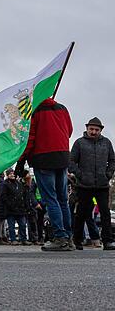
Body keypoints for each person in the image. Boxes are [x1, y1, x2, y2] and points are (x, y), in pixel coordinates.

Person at [16, 97, 73, 252]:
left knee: (51, 199)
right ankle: (68, 237)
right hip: (62, 157)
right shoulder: (62, 108)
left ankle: (60, 237)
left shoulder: (35, 112)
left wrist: (21, 161)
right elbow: (69, 130)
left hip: (43, 158)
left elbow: (30, 138)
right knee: (62, 200)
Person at [69, 117, 115, 250]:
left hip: (102, 184)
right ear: (87, 128)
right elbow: (71, 162)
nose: (93, 132)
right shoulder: (79, 143)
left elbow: (112, 160)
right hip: (84, 185)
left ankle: (108, 241)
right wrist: (80, 175)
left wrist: (108, 174)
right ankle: (77, 240)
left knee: (105, 213)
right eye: (91, 129)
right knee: (82, 213)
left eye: (96, 129)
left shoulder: (106, 143)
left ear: (100, 130)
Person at [1, 169, 30, 245]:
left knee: (23, 225)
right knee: (11, 226)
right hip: (10, 209)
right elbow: (3, 196)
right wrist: (9, 204)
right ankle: (13, 239)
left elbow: (24, 195)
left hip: (20, 208)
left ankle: (23, 239)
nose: (12, 175)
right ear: (7, 175)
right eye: (10, 173)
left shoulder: (19, 184)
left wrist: (26, 206)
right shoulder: (5, 184)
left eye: (13, 173)